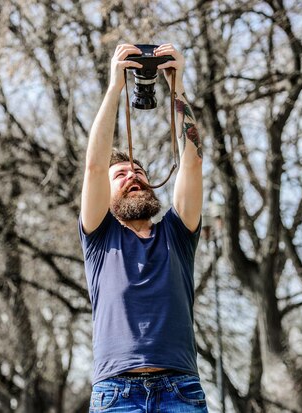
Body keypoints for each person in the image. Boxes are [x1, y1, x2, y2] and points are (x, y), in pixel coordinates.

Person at [79, 43, 207, 412]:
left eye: (139, 172)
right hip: (116, 393)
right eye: (120, 175)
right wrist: (115, 86)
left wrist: (176, 87)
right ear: (106, 191)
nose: (133, 176)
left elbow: (193, 162)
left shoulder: (177, 233)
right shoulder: (99, 236)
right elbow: (93, 165)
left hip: (181, 388)